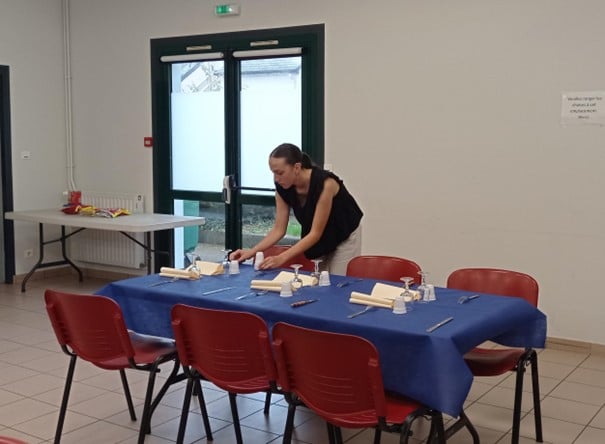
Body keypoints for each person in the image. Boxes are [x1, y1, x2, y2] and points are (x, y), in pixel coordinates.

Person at [230, 143, 363, 275]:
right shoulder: (282, 187)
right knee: (317, 281)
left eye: (280, 173)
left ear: (297, 167)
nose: (276, 178)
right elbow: (278, 230)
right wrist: (250, 252)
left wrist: (281, 258)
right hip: (318, 236)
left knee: (337, 282)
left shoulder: (325, 184)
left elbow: (315, 233)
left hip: (343, 232)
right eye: (273, 173)